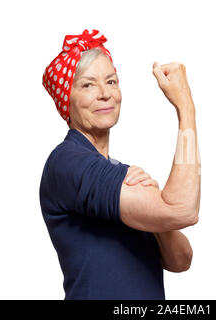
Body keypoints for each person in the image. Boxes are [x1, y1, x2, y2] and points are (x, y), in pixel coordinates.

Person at [39, 29, 201, 300]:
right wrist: (185, 106)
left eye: (111, 81)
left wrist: (157, 206)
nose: (104, 93)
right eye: (88, 85)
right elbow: (183, 209)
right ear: (67, 99)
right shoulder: (68, 163)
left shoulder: (121, 174)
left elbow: (181, 260)